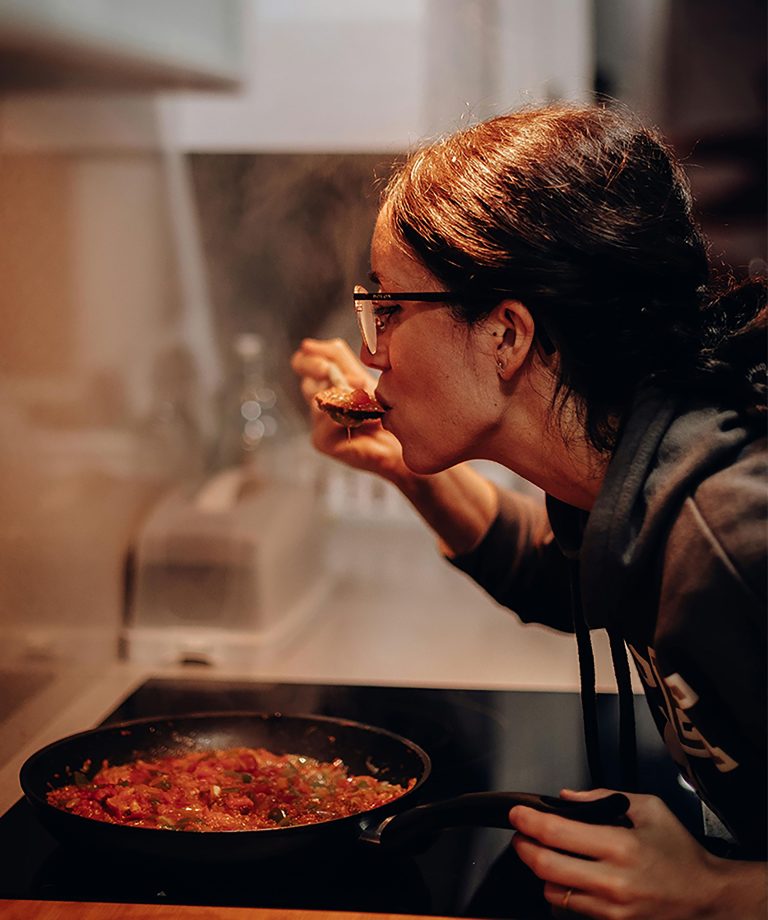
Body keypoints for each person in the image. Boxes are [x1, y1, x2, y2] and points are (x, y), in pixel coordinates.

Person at [291, 104, 767, 919]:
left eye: (390, 310)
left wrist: (717, 893)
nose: (371, 352)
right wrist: (409, 472)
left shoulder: (732, 536)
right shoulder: (631, 465)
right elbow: (556, 574)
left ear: (506, 335)